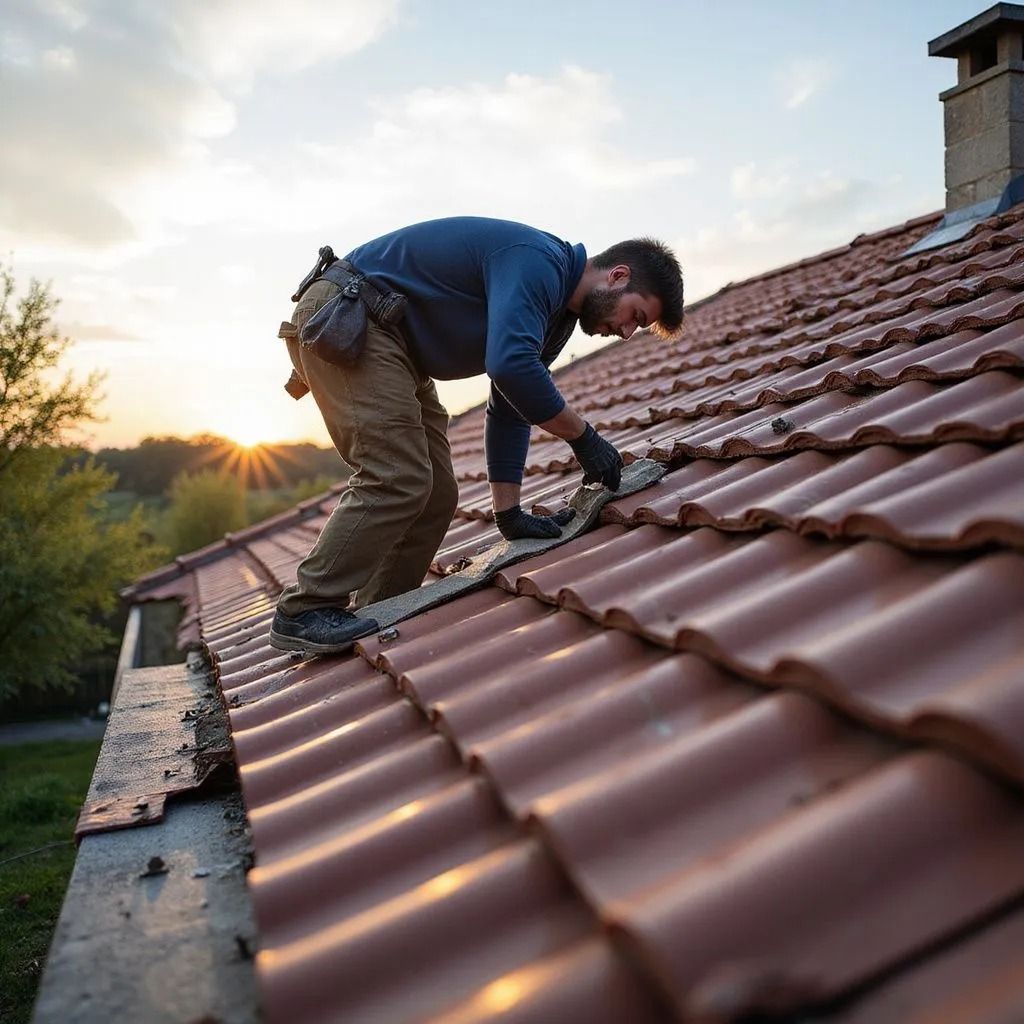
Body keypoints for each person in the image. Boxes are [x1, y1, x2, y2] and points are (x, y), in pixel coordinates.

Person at [269, 216, 684, 654]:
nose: (625, 332)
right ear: (617, 276)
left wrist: (509, 514)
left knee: (438, 494)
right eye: (635, 316)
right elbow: (510, 365)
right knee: (397, 475)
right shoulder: (539, 263)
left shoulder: (558, 314)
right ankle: (305, 609)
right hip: (349, 315)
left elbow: (510, 401)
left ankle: (381, 607)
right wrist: (584, 438)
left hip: (395, 343)